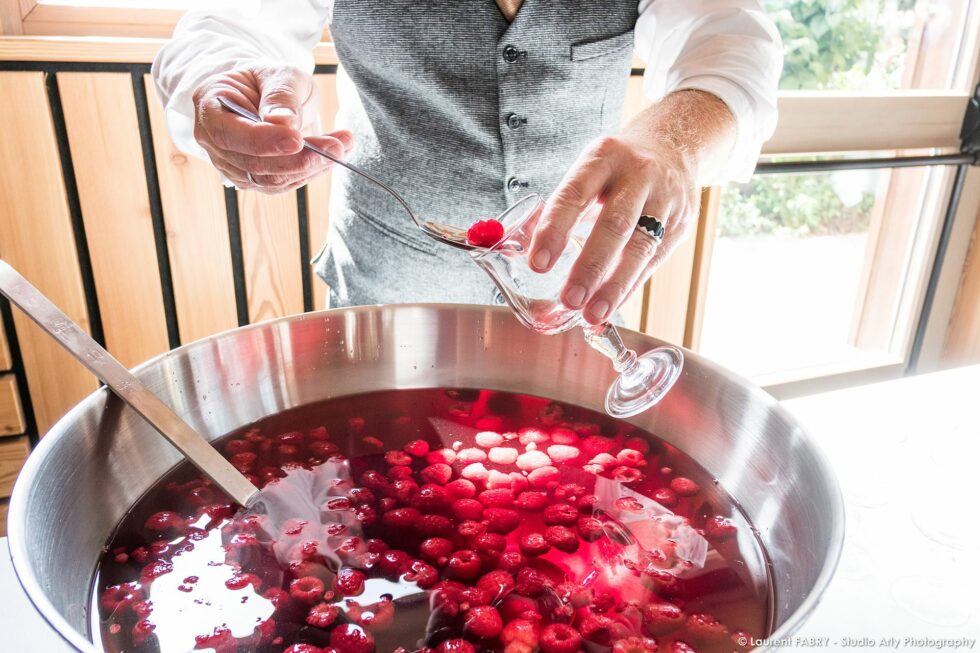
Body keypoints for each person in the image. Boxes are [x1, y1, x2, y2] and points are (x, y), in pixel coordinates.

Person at [153, 1, 781, 324]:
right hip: (386, 288)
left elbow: (731, 42)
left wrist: (675, 141)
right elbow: (226, 23)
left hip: (572, 295)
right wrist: (220, 77)